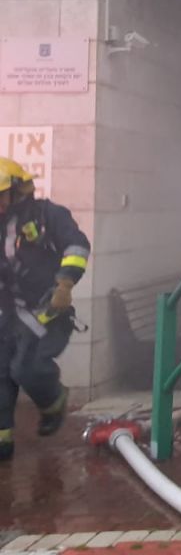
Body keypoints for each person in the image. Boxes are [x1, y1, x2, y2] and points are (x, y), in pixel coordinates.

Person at [0, 158, 90, 460]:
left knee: (24, 367)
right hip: (6, 313)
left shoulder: (47, 215)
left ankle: (54, 401)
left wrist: (65, 284)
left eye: (1, 195)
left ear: (18, 190)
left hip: (47, 309)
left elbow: (76, 245)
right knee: (1, 373)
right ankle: (3, 439)